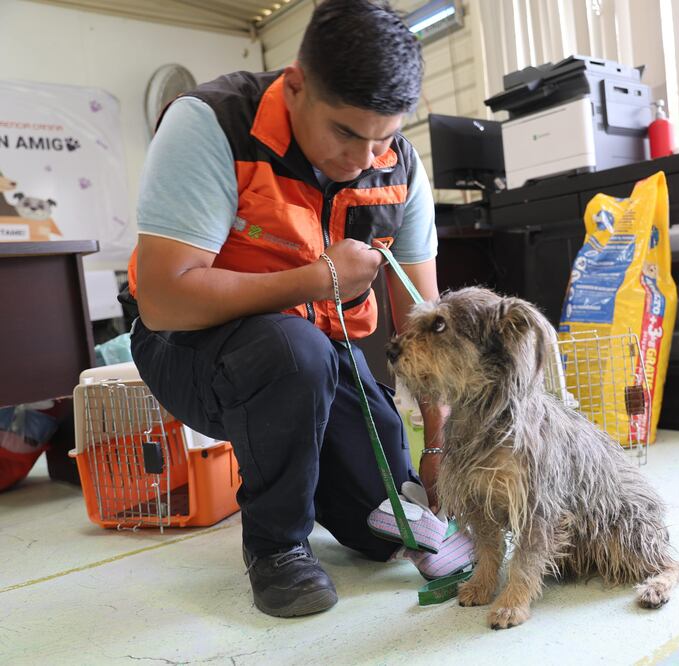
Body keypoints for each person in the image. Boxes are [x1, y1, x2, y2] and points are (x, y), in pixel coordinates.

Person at [122, 0, 467, 618]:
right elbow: (165, 300)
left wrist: (439, 447)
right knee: (293, 352)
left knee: (379, 526)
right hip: (190, 347)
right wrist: (320, 278)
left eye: (382, 137)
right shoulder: (212, 123)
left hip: (316, 355)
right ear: (297, 84)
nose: (364, 159)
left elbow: (427, 320)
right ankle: (277, 548)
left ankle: (331, 493)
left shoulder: (400, 167)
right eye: (345, 133)